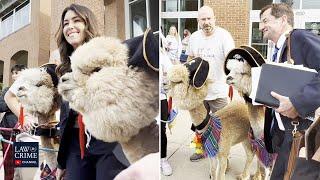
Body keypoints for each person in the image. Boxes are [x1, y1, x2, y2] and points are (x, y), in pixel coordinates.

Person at [54, 4, 127, 179]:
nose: (70, 26)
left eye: (76, 20)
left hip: (107, 141)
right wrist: (61, 161)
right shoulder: (64, 67)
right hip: (75, 144)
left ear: (88, 25)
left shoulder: (106, 56)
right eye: (65, 23)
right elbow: (65, 118)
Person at [258, 3, 320, 179]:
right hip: (282, 133)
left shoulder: (299, 37)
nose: (261, 27)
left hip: (300, 133)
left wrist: (297, 103)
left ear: (283, 20)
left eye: (265, 21)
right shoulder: (278, 49)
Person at [185, 5, 235, 162]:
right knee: (199, 125)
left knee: (224, 127)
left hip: (219, 91)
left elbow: (231, 60)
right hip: (199, 92)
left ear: (214, 19)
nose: (206, 22)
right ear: (198, 21)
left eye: (209, 18)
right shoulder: (194, 37)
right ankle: (200, 150)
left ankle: (223, 157)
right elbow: (190, 60)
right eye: (203, 19)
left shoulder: (224, 36)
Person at [0, 64, 26, 180]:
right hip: (8, 133)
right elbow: (1, 106)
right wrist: (13, 102)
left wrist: (11, 102)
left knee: (25, 165)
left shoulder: (31, 90)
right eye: (13, 73)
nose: (14, 75)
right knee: (9, 166)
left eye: (18, 72)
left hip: (25, 133)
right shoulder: (7, 91)